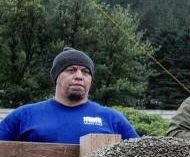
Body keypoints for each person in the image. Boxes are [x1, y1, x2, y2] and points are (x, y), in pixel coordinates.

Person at [0, 47, 138, 144]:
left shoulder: (113, 119)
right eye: (71, 70)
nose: (79, 76)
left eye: (85, 72)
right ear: (56, 77)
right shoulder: (23, 116)